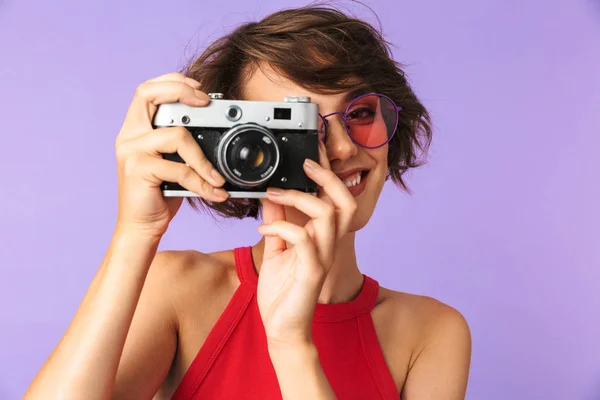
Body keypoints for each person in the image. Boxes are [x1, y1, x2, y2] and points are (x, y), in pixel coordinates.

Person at [25, 5, 471, 400]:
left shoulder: (432, 332)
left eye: (360, 113)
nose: (338, 149)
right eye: (301, 124)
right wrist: (135, 234)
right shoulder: (179, 289)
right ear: (239, 147)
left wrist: (292, 344)